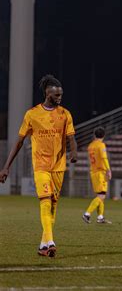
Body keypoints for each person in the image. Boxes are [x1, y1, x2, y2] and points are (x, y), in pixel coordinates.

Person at [0, 75, 77, 257]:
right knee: (45, 200)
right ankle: (50, 241)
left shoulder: (65, 114)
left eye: (61, 95)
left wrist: (74, 151)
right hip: (40, 165)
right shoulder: (32, 114)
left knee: (53, 206)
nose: (59, 97)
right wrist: (6, 167)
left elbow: (71, 137)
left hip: (58, 166)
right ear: (47, 93)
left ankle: (43, 245)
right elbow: (19, 142)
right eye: (56, 95)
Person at [82, 127, 112, 224]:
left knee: (100, 196)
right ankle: (87, 214)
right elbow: (104, 158)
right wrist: (108, 170)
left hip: (93, 172)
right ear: (104, 135)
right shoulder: (101, 145)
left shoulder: (90, 146)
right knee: (101, 196)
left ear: (95, 135)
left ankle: (100, 217)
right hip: (100, 172)